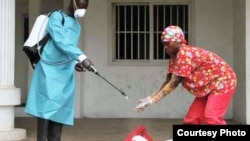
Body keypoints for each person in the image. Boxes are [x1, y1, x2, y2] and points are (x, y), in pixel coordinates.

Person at [135, 25, 237, 125]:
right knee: (191, 120)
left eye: (167, 43)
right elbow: (168, 81)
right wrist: (150, 97)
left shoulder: (184, 54)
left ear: (178, 41)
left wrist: (153, 101)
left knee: (212, 118)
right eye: (163, 44)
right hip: (207, 86)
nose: (165, 47)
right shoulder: (174, 57)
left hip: (223, 81)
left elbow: (173, 84)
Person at [25, 0, 95, 140]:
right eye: (81, 7)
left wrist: (75, 62)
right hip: (48, 69)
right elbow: (60, 40)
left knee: (59, 113)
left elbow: (69, 47)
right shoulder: (57, 17)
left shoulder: (76, 25)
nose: (82, 11)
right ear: (73, 3)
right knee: (45, 111)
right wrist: (81, 57)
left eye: (85, 8)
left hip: (65, 73)